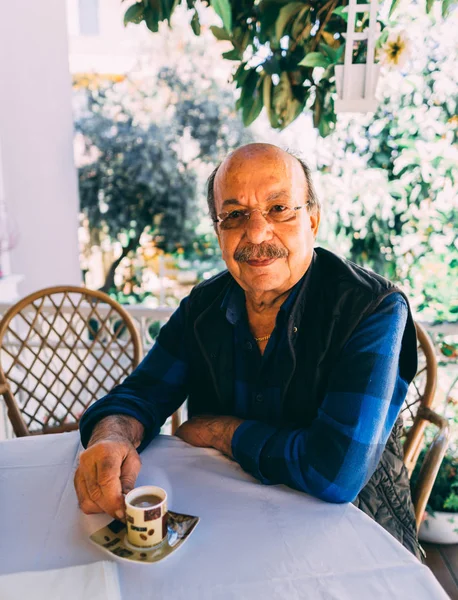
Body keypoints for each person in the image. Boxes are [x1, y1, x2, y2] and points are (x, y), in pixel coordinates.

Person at [74, 143, 422, 560]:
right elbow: (141, 393)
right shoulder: (203, 307)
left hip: (354, 537)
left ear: (312, 218)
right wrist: (111, 435)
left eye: (279, 209)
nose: (256, 234)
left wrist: (219, 431)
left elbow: (336, 473)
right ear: (218, 230)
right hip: (230, 528)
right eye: (235, 215)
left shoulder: (371, 308)